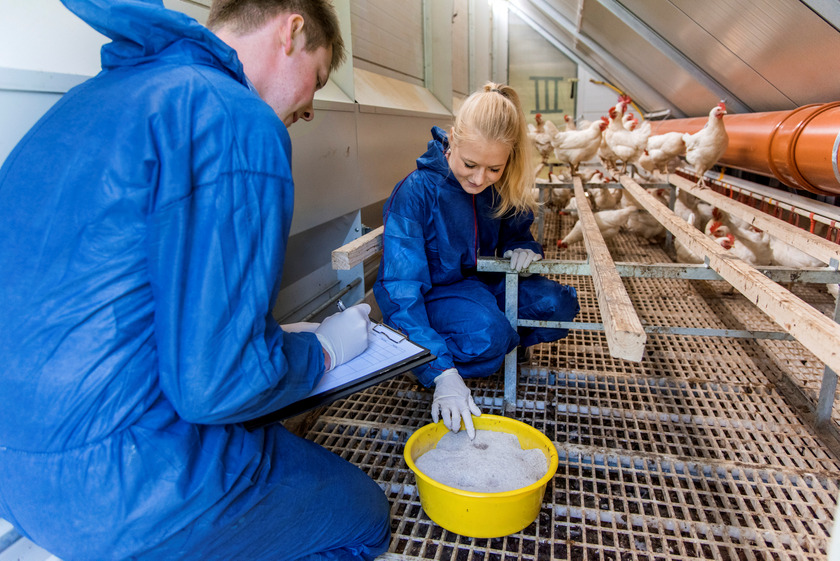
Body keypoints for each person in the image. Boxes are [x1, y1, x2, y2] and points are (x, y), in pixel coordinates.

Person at [0, 1, 391, 560]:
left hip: (17, 477)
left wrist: (274, 342)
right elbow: (217, 386)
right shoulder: (235, 119)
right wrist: (322, 353)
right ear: (292, 30)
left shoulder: (93, 99)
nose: (308, 108)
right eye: (318, 78)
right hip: (123, 488)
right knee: (365, 518)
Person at [373, 83, 580, 439]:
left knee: (555, 304)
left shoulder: (499, 186)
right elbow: (399, 288)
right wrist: (442, 373)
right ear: (452, 139)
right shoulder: (418, 192)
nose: (479, 178)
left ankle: (487, 347)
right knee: (489, 334)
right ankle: (424, 358)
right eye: (470, 164)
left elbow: (517, 232)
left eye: (494, 169)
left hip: (481, 284)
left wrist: (524, 248)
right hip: (435, 294)